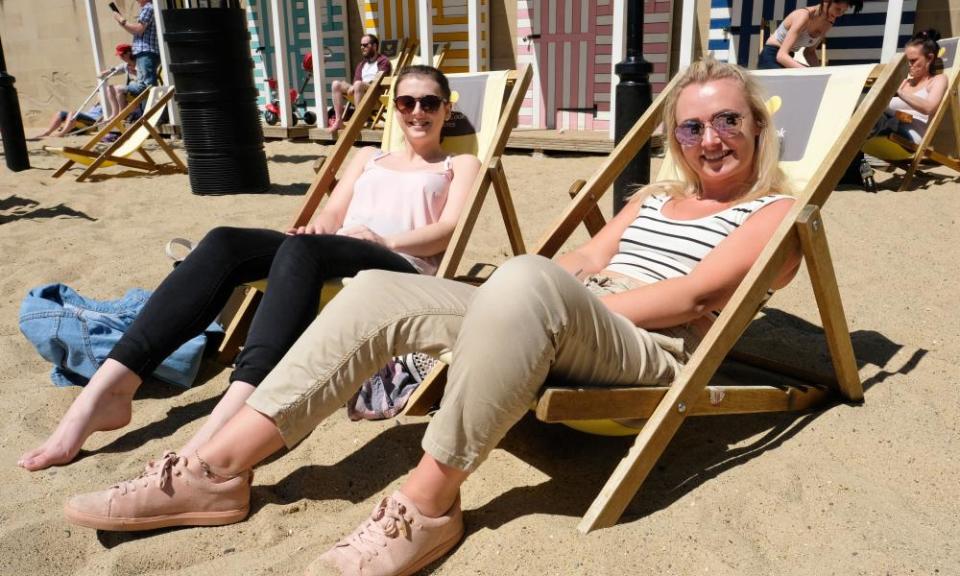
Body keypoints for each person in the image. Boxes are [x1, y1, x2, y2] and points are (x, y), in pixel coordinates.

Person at [63, 57, 801, 576]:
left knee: (526, 280)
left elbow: (695, 297)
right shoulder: (651, 199)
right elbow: (578, 263)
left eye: (727, 120)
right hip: (568, 312)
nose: (710, 140)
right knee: (379, 293)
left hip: (647, 344)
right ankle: (216, 470)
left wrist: (554, 298)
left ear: (757, 128)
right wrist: (539, 295)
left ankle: (427, 507)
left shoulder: (780, 213)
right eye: (691, 128)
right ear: (674, 139)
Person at [18, 66, 479, 473]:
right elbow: (333, 213)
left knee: (307, 254)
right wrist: (315, 228)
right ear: (393, 108)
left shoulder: (459, 163)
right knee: (225, 242)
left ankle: (233, 410)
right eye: (407, 101)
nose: (418, 111)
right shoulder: (366, 156)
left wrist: (380, 240)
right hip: (338, 247)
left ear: (445, 108)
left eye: (429, 102)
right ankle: (109, 390)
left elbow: (448, 229)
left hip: (397, 265)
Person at [33, 44, 136, 139]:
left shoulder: (111, 100)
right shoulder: (125, 67)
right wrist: (104, 73)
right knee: (61, 113)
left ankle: (62, 133)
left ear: (128, 53)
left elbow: (112, 109)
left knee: (73, 113)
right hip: (87, 115)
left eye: (122, 55)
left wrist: (104, 120)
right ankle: (48, 132)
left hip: (93, 122)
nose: (120, 57)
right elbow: (116, 69)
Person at [870, 29, 948, 145]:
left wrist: (899, 92)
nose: (909, 65)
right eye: (907, 61)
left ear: (930, 58)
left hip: (911, 133)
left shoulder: (937, 80)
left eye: (913, 61)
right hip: (888, 123)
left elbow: (929, 108)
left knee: (867, 123)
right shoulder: (904, 82)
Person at [757, 0, 863, 69]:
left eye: (843, 11)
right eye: (837, 9)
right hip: (771, 56)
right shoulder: (803, 16)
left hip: (788, 57)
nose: (839, 14)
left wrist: (819, 72)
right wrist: (809, 72)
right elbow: (781, 56)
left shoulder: (828, 23)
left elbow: (809, 52)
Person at [330, 34, 392, 131]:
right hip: (359, 91)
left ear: (375, 46)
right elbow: (356, 81)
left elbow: (378, 81)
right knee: (336, 84)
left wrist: (357, 85)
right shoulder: (362, 64)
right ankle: (338, 121)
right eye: (361, 45)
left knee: (358, 84)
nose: (362, 47)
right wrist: (354, 86)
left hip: (375, 95)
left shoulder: (383, 61)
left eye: (365, 45)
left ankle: (358, 121)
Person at [113, 0, 160, 99]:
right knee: (145, 88)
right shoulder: (146, 8)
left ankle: (121, 89)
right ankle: (147, 111)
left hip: (146, 52)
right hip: (144, 52)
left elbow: (138, 30)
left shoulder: (149, 8)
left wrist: (122, 20)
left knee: (146, 87)